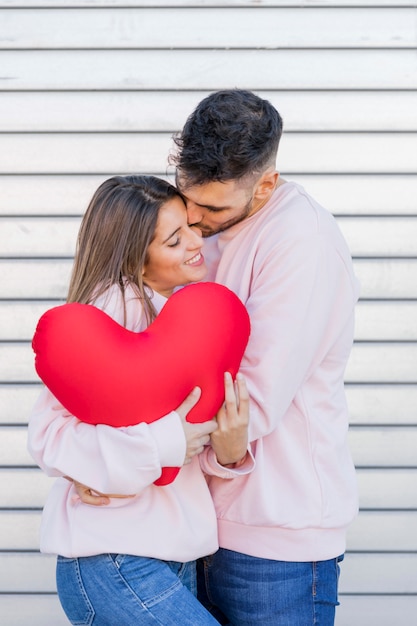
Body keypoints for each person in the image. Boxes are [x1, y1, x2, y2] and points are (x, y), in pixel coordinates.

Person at [168, 89, 360, 625]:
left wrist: (140, 453)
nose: (195, 219)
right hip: (198, 521)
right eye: (189, 198)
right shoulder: (199, 228)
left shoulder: (302, 240)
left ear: (266, 185)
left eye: (213, 208)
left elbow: (250, 396)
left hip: (276, 540)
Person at [27, 175, 253, 625]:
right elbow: (49, 435)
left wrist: (222, 451)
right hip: (116, 559)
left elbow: (182, 436)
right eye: (174, 240)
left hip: (166, 557)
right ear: (138, 262)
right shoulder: (119, 307)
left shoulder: (185, 317)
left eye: (190, 226)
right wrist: (167, 442)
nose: (196, 242)